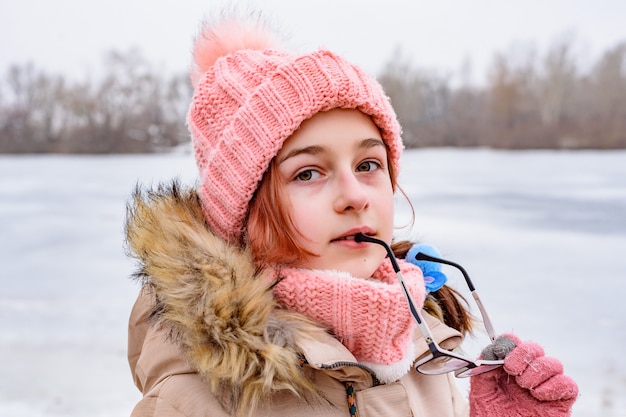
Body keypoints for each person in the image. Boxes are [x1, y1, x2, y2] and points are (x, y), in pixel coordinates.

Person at [124, 12, 578, 417]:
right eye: (307, 173)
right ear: (242, 213)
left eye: (368, 165)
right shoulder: (192, 402)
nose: (354, 196)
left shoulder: (423, 347)